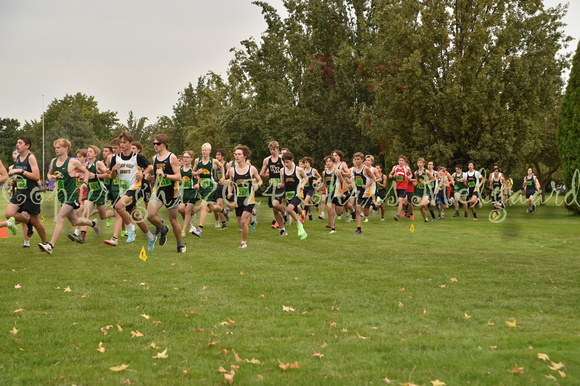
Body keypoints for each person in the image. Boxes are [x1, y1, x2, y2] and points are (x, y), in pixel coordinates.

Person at [39, 139, 100, 254]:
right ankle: (93, 223)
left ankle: (51, 245)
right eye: (55, 148)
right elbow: (49, 173)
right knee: (75, 222)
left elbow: (86, 172)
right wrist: (50, 177)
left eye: (58, 147)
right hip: (62, 195)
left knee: (59, 217)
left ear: (66, 148)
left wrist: (85, 183)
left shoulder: (73, 162)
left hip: (71, 195)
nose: (56, 149)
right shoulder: (54, 161)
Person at [104, 132, 156, 248]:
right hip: (124, 190)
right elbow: (112, 177)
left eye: (124, 142)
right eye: (120, 142)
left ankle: (130, 229)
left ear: (130, 143)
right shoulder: (115, 158)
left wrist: (142, 174)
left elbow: (150, 167)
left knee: (118, 207)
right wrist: (113, 170)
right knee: (136, 216)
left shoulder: (137, 157)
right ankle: (150, 237)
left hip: (134, 188)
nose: (122, 145)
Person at [2, 137, 48, 248]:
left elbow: (36, 176)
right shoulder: (18, 158)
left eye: (20, 143)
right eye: (17, 142)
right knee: (9, 214)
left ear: (27, 146)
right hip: (20, 193)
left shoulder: (31, 158)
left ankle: (46, 243)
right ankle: (28, 221)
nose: (17, 145)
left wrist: (20, 171)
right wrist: (14, 181)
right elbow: (20, 177)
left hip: (31, 193)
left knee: (36, 221)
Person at [146, 134, 185, 252]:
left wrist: (165, 175)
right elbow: (157, 177)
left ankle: (180, 245)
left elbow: (179, 177)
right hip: (158, 191)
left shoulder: (171, 157)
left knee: (173, 221)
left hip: (171, 193)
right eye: (154, 144)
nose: (155, 146)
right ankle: (163, 229)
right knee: (150, 215)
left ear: (165, 144)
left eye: (158, 144)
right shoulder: (154, 158)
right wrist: (150, 178)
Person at [69, 145, 115, 243]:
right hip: (90, 192)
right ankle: (82, 236)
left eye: (90, 151)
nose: (88, 153)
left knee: (103, 216)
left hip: (100, 193)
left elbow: (109, 175)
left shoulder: (98, 163)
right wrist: (83, 179)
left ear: (95, 154)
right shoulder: (85, 165)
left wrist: (96, 175)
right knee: (86, 213)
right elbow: (87, 176)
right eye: (88, 151)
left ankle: (113, 213)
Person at [226, 145, 262, 248]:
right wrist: (229, 192)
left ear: (245, 156)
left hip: (249, 200)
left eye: (239, 154)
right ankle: (250, 223)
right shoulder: (232, 170)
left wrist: (257, 185)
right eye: (235, 154)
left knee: (243, 221)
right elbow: (230, 183)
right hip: (238, 200)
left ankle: (243, 243)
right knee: (241, 224)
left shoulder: (251, 169)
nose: (236, 156)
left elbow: (260, 180)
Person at [190, 143, 228, 237]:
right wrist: (197, 173)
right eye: (203, 150)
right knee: (211, 207)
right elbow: (192, 173)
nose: (204, 152)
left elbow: (222, 166)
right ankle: (224, 211)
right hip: (202, 187)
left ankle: (199, 229)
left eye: (206, 150)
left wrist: (223, 177)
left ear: (210, 151)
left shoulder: (213, 161)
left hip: (211, 186)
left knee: (203, 206)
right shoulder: (197, 161)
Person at [277, 151, 308, 239]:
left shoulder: (298, 169)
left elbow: (306, 178)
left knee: (289, 209)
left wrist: (302, 185)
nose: (286, 164)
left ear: (292, 160)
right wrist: (280, 185)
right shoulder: (282, 170)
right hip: (289, 194)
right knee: (291, 210)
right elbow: (283, 183)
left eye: (287, 162)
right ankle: (302, 231)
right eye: (284, 162)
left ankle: (300, 227)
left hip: (298, 194)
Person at [260, 141, 286, 229]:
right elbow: (263, 172)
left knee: (276, 204)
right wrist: (262, 173)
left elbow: (288, 171)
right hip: (272, 185)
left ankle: (285, 214)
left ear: (277, 149)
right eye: (270, 150)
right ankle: (282, 228)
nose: (272, 151)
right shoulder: (267, 160)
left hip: (280, 184)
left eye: (273, 149)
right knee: (274, 208)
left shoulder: (282, 159)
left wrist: (283, 181)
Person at [318, 155, 345, 233]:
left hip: (337, 194)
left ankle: (338, 216)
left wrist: (342, 192)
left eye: (330, 161)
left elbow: (343, 182)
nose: (328, 163)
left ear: (333, 162)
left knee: (339, 213)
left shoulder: (337, 171)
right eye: (327, 161)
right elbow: (324, 183)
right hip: (329, 195)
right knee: (330, 210)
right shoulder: (324, 172)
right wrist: (319, 188)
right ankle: (333, 228)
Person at [351, 152, 375, 234]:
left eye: (358, 159)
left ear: (362, 160)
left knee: (366, 212)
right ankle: (359, 229)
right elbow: (356, 179)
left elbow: (373, 178)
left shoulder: (366, 169)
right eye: (355, 159)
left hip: (367, 193)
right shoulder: (354, 169)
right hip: (359, 193)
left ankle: (373, 208)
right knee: (357, 210)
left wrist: (367, 185)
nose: (356, 161)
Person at [178, 151, 201, 236]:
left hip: (192, 192)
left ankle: (183, 231)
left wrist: (198, 184)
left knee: (187, 210)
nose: (185, 159)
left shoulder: (193, 169)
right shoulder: (180, 169)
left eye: (187, 157)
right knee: (180, 209)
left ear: (191, 159)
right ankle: (199, 208)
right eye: (184, 157)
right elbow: (178, 178)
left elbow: (199, 178)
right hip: (183, 193)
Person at [389, 155, 411, 221]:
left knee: (399, 201)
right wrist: (394, 175)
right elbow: (389, 176)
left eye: (402, 160)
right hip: (397, 186)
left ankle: (398, 215)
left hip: (404, 186)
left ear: (404, 162)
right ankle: (407, 205)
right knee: (401, 201)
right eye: (400, 160)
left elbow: (411, 174)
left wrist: (409, 177)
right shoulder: (395, 167)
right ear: (398, 161)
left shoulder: (406, 168)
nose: (401, 162)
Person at [132, 141, 152, 210]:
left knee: (147, 203)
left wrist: (143, 173)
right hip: (134, 184)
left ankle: (152, 217)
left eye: (133, 148)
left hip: (144, 184)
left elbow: (150, 167)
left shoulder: (140, 158)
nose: (132, 150)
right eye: (131, 148)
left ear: (139, 150)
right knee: (131, 204)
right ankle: (137, 218)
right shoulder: (129, 159)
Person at [415, 158, 436, 223]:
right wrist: (410, 181)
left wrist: (426, 183)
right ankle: (426, 219)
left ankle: (428, 202)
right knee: (420, 206)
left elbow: (433, 179)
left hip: (426, 190)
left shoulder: (426, 171)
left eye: (421, 162)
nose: (419, 164)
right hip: (419, 190)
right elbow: (416, 182)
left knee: (423, 204)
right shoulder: (416, 172)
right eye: (418, 162)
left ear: (423, 163)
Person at [301, 157, 321, 221]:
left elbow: (320, 177)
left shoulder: (313, 170)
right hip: (304, 188)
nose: (305, 164)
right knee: (308, 202)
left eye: (306, 162)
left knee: (306, 201)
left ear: (310, 163)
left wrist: (316, 181)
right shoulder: (302, 170)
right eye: (304, 163)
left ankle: (304, 217)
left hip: (311, 189)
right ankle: (314, 206)